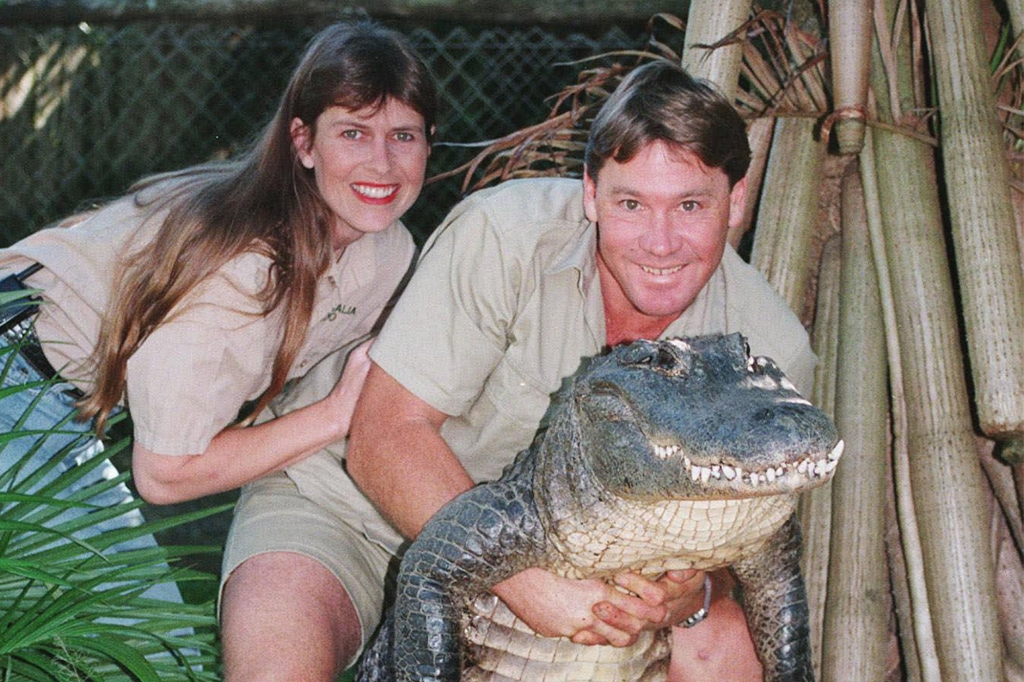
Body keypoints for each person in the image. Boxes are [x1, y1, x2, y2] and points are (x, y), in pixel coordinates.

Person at [346, 59, 817, 681]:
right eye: (631, 203)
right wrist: (523, 582)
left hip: (589, 548)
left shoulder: (770, 346)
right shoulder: (503, 235)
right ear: (591, 195)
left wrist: (692, 592)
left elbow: (752, 533)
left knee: (725, 638)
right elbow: (385, 436)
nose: (660, 241)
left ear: (734, 202)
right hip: (360, 508)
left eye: (690, 205)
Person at [0, 18, 434, 672]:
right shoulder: (247, 268)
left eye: (403, 135)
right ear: (303, 142)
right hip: (15, 377)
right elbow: (166, 473)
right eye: (353, 133)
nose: (382, 164)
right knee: (147, 654)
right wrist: (337, 414)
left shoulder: (384, 249)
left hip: (52, 400)